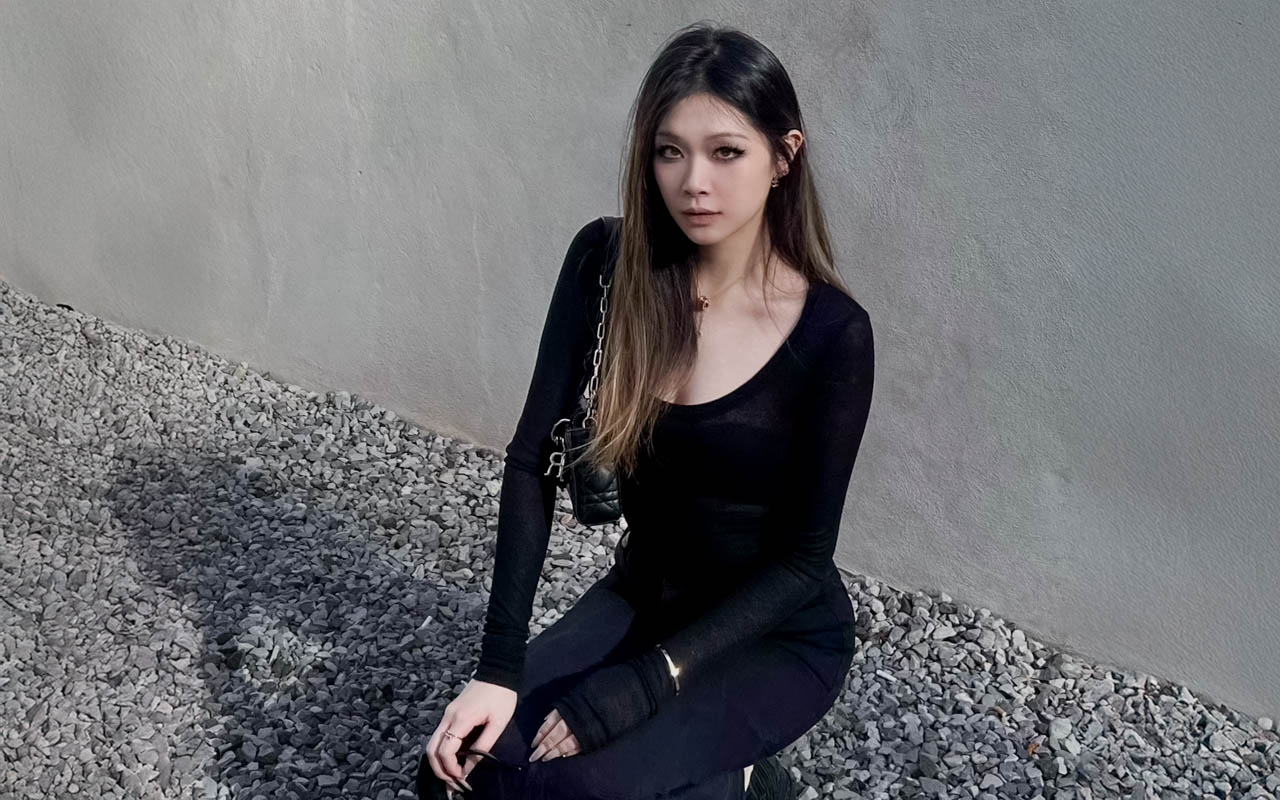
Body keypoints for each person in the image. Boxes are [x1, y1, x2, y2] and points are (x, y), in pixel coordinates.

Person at [418, 21, 875, 800]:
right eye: (671, 151)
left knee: (563, 792)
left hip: (771, 636)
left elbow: (803, 562)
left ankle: (736, 776)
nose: (694, 181)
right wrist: (496, 671)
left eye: (726, 151)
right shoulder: (606, 265)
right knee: (458, 778)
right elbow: (532, 461)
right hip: (644, 594)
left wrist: (650, 681)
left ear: (784, 158)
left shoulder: (832, 334)